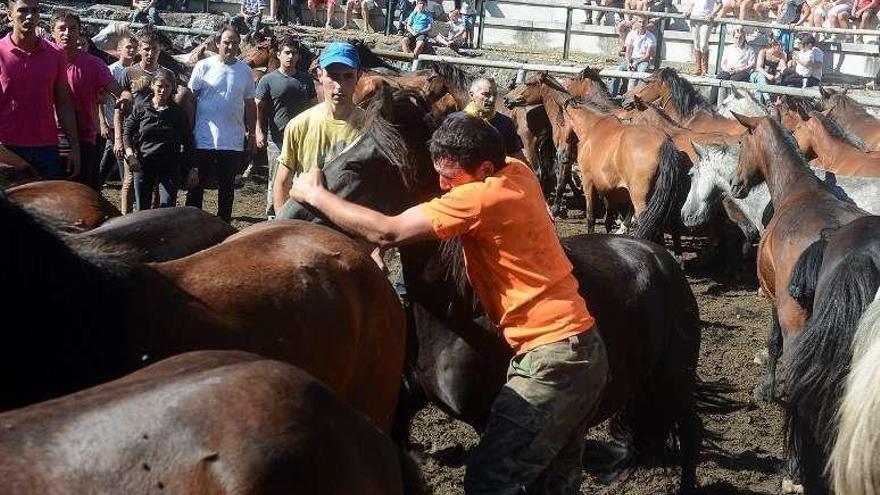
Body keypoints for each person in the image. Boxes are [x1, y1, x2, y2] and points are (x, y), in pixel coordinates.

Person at [288, 113, 608, 495]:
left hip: (553, 361)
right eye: (437, 173)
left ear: (485, 168)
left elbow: (388, 229)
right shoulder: (518, 173)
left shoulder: (481, 199)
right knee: (553, 481)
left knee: (490, 479)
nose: (441, 186)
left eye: (451, 177)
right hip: (583, 349)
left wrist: (314, 195)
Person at [272, 41, 365, 215]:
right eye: (333, 76)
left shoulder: (369, 128)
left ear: (358, 76)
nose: (339, 85)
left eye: (347, 76)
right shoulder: (300, 125)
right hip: (307, 224)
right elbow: (283, 182)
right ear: (320, 74)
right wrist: (282, 226)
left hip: (351, 224)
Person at [50, 9, 130, 189]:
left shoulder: (93, 64)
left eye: (72, 28)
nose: (67, 33)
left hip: (83, 136)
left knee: (81, 193)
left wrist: (126, 99)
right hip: (48, 137)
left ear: (79, 32)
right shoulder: (43, 60)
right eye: (62, 29)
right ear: (52, 32)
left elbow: (120, 91)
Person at [0, 0, 79, 179]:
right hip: (6, 148)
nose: (29, 16)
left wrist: (74, 148)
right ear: (9, 14)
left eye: (34, 11)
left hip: (47, 149)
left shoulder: (56, 54)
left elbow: (64, 103)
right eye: (22, 11)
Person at [186, 26, 256, 222]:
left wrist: (251, 133)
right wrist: (189, 128)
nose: (230, 46)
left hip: (232, 140)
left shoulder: (245, 71)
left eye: (234, 43)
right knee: (196, 185)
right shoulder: (204, 66)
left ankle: (223, 224)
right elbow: (191, 99)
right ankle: (191, 223)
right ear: (218, 43)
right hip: (203, 137)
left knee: (227, 188)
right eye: (226, 42)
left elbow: (250, 104)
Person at [255, 35, 317, 218]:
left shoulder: (306, 80)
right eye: (287, 53)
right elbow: (259, 106)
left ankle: (294, 216)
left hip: (302, 140)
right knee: (276, 180)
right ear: (280, 55)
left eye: (294, 53)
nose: (290, 56)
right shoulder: (268, 80)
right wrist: (259, 131)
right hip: (278, 140)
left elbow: (313, 107)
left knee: (299, 179)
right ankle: (273, 216)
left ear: (298, 56)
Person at [123, 72, 192, 210]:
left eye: (167, 86)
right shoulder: (141, 107)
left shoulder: (178, 113)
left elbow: (188, 141)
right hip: (144, 163)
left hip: (169, 166)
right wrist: (130, 156)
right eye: (160, 86)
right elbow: (127, 133)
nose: (163, 90)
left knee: (167, 206)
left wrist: (192, 168)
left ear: (173, 88)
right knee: (143, 207)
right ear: (152, 85)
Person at [97, 34, 137, 212]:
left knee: (113, 159)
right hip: (113, 122)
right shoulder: (112, 70)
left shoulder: (135, 71)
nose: (132, 50)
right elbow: (101, 99)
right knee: (116, 159)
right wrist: (103, 123)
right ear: (119, 50)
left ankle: (99, 186)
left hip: (128, 123)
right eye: (128, 47)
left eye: (134, 47)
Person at [454, 77, 526, 162]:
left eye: (495, 95)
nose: (492, 99)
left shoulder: (505, 123)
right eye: (486, 94)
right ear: (471, 95)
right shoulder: (456, 123)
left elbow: (517, 157)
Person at [610, 17, 655, 97]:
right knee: (618, 70)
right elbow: (628, 52)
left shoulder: (651, 37)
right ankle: (612, 95)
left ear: (647, 23)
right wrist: (628, 63)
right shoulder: (631, 34)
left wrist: (636, 63)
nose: (642, 24)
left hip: (643, 60)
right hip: (632, 59)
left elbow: (647, 56)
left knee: (641, 72)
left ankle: (638, 95)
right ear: (637, 23)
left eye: (644, 22)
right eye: (640, 22)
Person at [683, 0, 720, 75]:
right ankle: (698, 68)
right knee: (696, 44)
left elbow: (720, 4)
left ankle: (705, 69)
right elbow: (691, 3)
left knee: (703, 44)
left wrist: (712, 14)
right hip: (694, 17)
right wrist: (687, 11)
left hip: (706, 18)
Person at [749, 36, 787, 104]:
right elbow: (758, 67)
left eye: (782, 45)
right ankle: (768, 100)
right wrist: (767, 75)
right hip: (757, 75)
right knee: (761, 77)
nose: (781, 48)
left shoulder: (781, 55)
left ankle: (760, 105)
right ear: (773, 45)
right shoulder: (763, 52)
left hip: (770, 78)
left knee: (759, 89)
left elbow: (784, 68)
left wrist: (779, 74)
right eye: (779, 45)